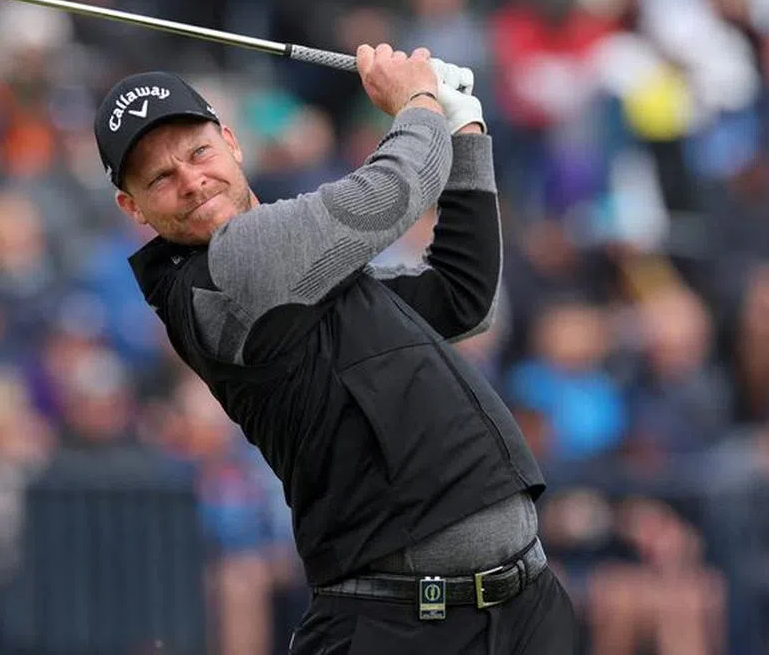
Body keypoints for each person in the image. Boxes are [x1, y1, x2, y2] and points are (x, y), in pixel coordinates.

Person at [92, 44, 577, 653]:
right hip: (401, 626)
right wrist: (418, 98)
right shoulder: (233, 265)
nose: (191, 180)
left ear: (232, 142)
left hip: (524, 610)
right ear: (131, 207)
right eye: (160, 177)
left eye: (198, 152)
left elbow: (461, 296)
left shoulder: (311, 281)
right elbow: (395, 187)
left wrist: (466, 126)